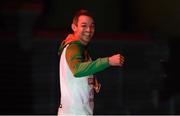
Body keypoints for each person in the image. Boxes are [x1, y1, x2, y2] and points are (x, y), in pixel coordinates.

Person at [58, 9, 125, 115]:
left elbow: (77, 72)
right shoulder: (73, 47)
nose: (89, 30)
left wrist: (90, 80)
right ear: (74, 27)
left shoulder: (79, 49)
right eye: (84, 25)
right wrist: (108, 61)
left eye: (92, 26)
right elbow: (77, 69)